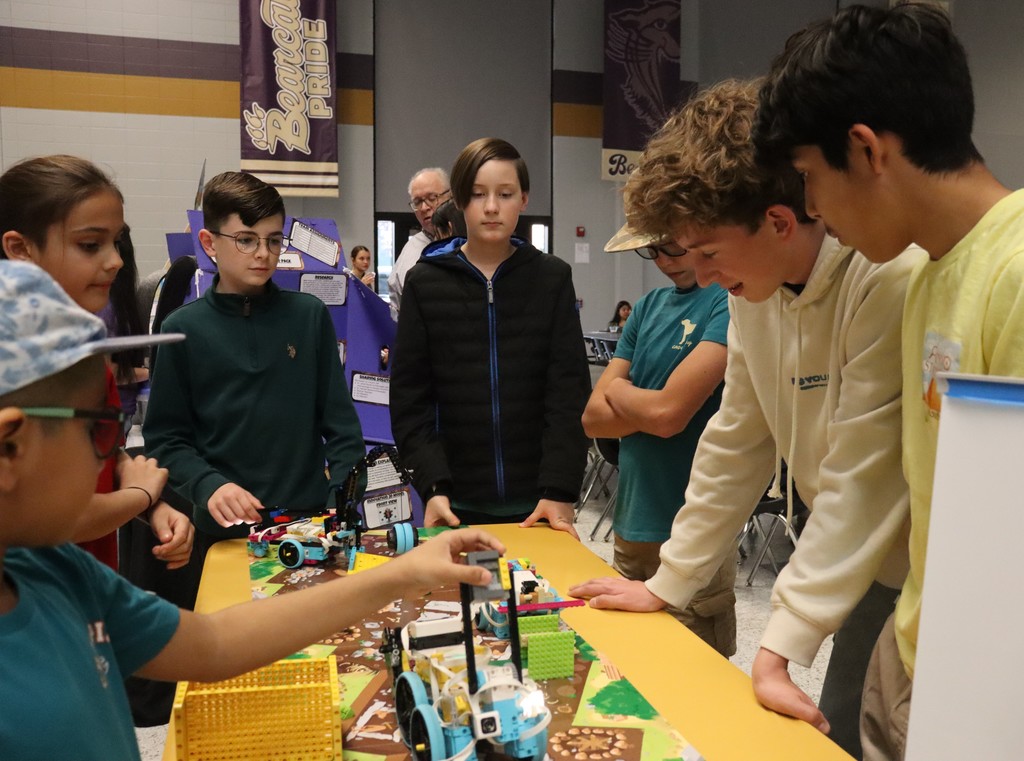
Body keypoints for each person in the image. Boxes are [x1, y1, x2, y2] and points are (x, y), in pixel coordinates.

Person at [0, 259, 504, 760]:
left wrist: (403, 573)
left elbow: (216, 643)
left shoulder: (63, 574)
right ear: (10, 446)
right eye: (101, 428)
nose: (112, 456)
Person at [568, 80, 921, 759]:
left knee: (870, 730)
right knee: (843, 723)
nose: (700, 276)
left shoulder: (883, 276)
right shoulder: (753, 291)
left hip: (914, 563)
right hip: (851, 545)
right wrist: (668, 583)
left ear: (780, 223)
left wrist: (781, 643)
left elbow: (865, 478)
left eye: (708, 254)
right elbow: (736, 440)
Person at [753, 5, 1024, 759]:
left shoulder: (1017, 271)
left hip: (985, 687)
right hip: (912, 647)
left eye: (810, 176)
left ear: (867, 149)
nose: (811, 207)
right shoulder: (928, 274)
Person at [144, 171, 366, 591]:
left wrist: (343, 498)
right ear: (210, 243)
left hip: (308, 530)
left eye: (273, 240)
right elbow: (166, 439)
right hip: (224, 537)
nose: (263, 253)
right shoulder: (181, 329)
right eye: (246, 239)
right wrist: (208, 485)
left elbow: (342, 428)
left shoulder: (308, 316)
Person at [0, 154, 193, 573]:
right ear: (20, 249)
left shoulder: (85, 352)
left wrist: (146, 501)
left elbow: (97, 448)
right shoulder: (15, 367)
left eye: (116, 242)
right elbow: (53, 515)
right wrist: (138, 496)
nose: (116, 261)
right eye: (91, 245)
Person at [390, 137, 590, 535]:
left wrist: (561, 487)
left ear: (525, 199)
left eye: (506, 194)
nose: (493, 207)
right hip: (454, 503)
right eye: (478, 194)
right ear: (461, 201)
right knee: (462, 597)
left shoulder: (552, 278)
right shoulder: (425, 283)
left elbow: (568, 394)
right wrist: (431, 486)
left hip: (539, 504)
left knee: (541, 598)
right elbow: (411, 400)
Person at [583, 226, 733, 655]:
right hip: (632, 525)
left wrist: (620, 393)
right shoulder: (647, 308)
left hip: (693, 531)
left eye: (670, 245)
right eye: (652, 251)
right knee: (633, 669)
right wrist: (653, 407)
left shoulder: (726, 300)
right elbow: (593, 419)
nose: (663, 259)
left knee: (695, 677)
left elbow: (670, 417)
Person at [387, 167, 451, 321]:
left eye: (432, 198)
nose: (424, 207)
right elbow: (396, 311)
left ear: (451, 196)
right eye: (417, 202)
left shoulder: (472, 243)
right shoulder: (409, 252)